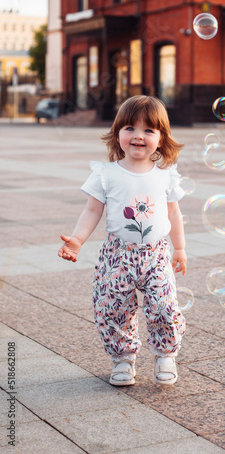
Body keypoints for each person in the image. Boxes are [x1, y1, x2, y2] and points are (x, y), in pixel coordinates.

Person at [58, 95, 187, 386]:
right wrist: (77, 239)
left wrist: (179, 248)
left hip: (156, 254)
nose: (138, 136)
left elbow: (174, 213)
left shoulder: (166, 176)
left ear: (162, 139)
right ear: (117, 134)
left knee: (164, 305)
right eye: (130, 128)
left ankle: (165, 353)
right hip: (118, 254)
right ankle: (123, 358)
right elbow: (92, 210)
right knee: (114, 306)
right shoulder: (106, 173)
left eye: (149, 130)